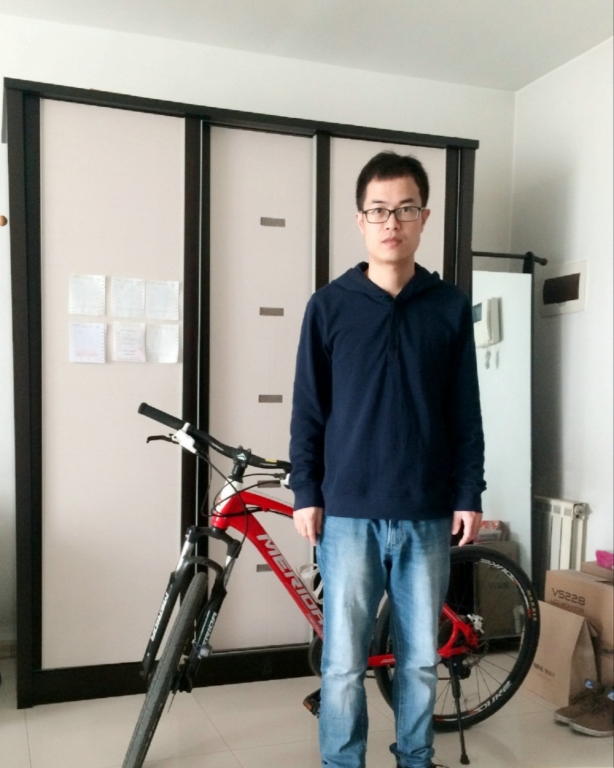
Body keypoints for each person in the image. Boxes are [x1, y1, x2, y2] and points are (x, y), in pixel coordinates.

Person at [289, 151, 486, 768]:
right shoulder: (329, 306)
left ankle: (415, 759)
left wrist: (469, 492)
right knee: (343, 663)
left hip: (427, 510)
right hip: (347, 512)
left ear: (424, 217)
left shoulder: (448, 306)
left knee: (421, 661)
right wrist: (306, 492)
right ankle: (342, 762)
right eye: (379, 210)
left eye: (405, 209)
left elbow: (465, 411)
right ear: (361, 220)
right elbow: (309, 410)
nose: (391, 222)